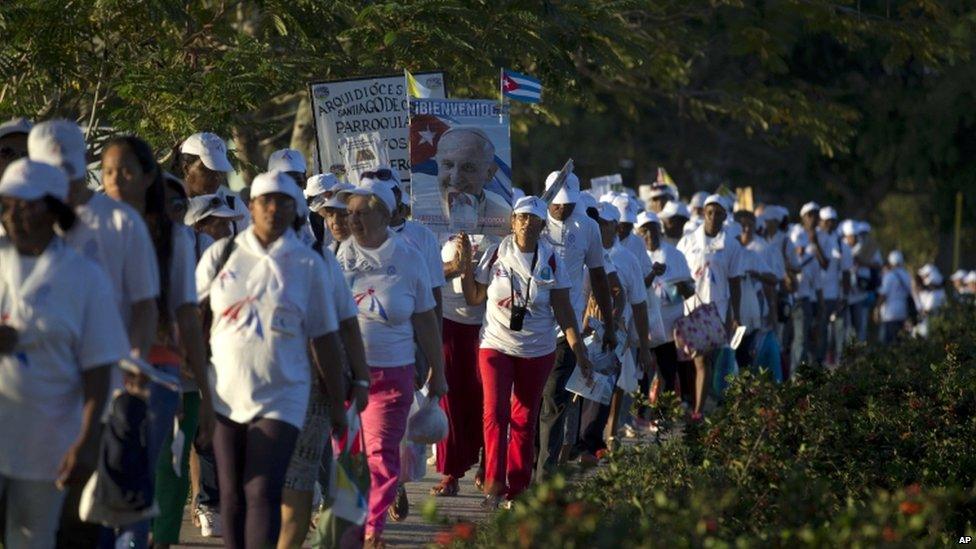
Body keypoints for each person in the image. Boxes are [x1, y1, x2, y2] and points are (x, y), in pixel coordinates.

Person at [28, 120, 162, 548]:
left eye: (67, 173)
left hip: (102, 388)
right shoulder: (23, 222)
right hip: (36, 389)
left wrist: (137, 357)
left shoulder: (120, 222)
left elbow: (144, 304)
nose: (60, 184)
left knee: (84, 515)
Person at [197, 170, 348, 548]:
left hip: (285, 394)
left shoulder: (308, 263)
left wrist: (339, 395)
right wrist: (197, 383)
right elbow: (193, 317)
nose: (275, 209)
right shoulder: (222, 255)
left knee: (263, 489)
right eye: (267, 201)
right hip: (226, 394)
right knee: (232, 494)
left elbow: (325, 336)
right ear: (251, 207)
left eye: (285, 202)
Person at [0, 159, 127, 549]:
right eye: (7, 205)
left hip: (48, 440)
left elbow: (99, 367)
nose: (14, 216)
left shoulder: (85, 278)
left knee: (31, 538)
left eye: (26, 205)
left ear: (55, 208)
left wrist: (87, 441)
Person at [100, 136, 217, 549]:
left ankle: (152, 540)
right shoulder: (88, 228)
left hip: (161, 372)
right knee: (102, 477)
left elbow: (188, 314)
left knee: (149, 475)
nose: (116, 180)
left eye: (128, 171)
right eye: (109, 170)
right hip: (97, 370)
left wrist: (205, 390)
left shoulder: (178, 241)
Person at [457, 195, 594, 508]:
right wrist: (465, 264)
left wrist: (580, 352)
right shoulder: (495, 254)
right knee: (495, 413)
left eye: (533, 218)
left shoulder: (552, 259)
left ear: (542, 225)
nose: (527, 224)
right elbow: (475, 297)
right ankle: (494, 484)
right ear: (512, 221)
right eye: (521, 217)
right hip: (495, 344)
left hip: (537, 349)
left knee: (524, 418)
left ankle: (517, 488)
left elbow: (564, 311)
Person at [335, 179, 448, 548]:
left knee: (381, 455)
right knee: (346, 454)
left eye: (363, 213)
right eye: (349, 213)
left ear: (387, 215)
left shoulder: (409, 257)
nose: (353, 220)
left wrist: (438, 370)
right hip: (345, 374)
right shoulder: (339, 256)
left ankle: (372, 531)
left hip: (391, 373)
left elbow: (426, 320)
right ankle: (347, 522)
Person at [536, 171, 615, 480]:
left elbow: (599, 278)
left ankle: (544, 478)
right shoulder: (532, 220)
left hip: (565, 332)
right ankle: (528, 470)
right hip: (528, 328)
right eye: (556, 204)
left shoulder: (588, 227)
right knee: (531, 405)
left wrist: (608, 324)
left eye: (568, 204)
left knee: (554, 404)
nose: (562, 209)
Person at [574, 202, 652, 459]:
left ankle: (592, 443)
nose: (598, 228)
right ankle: (575, 444)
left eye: (603, 224)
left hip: (612, 337)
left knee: (601, 390)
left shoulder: (627, 260)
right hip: (579, 331)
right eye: (595, 223)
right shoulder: (580, 249)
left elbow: (639, 304)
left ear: (615, 227)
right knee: (576, 390)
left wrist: (644, 346)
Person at [677, 195, 744, 419]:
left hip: (718, 309)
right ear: (703, 214)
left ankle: (699, 408)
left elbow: (735, 282)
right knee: (696, 359)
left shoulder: (731, 245)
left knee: (705, 359)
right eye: (709, 212)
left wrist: (735, 314)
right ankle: (694, 404)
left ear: (725, 216)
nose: (713, 217)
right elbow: (676, 274)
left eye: (718, 213)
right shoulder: (688, 241)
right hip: (692, 308)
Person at [636, 211, 694, 407]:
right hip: (643, 325)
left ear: (660, 231)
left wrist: (680, 287)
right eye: (644, 231)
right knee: (642, 372)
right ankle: (641, 412)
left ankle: (665, 413)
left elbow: (689, 290)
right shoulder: (635, 255)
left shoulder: (675, 255)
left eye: (653, 230)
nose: (649, 236)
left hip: (669, 326)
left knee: (668, 370)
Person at [434, 127, 511, 234]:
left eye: (468, 167)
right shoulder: (422, 210)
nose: (456, 177)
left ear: (489, 173)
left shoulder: (504, 216)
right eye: (448, 165)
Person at [177, 132, 250, 233]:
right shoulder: (169, 208)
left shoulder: (234, 206)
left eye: (219, 170)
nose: (216, 177)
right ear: (186, 168)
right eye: (207, 169)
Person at [788, 202, 828, 369]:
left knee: (802, 340)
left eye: (815, 215)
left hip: (805, 301)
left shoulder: (821, 239)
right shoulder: (793, 233)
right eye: (809, 215)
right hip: (787, 299)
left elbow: (822, 269)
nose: (813, 218)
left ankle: (797, 376)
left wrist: (821, 306)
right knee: (791, 340)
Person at [817, 206, 852, 366]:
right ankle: (821, 365)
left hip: (835, 296)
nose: (829, 224)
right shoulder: (814, 240)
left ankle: (839, 367)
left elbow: (846, 272)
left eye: (832, 221)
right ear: (821, 222)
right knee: (821, 335)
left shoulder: (841, 244)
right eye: (826, 221)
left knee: (839, 334)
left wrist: (845, 296)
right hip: (818, 296)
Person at [876, 251, 913, 343]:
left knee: (888, 343)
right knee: (900, 342)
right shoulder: (907, 275)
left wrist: (877, 309)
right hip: (903, 312)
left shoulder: (889, 276)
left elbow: (883, 295)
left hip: (890, 314)